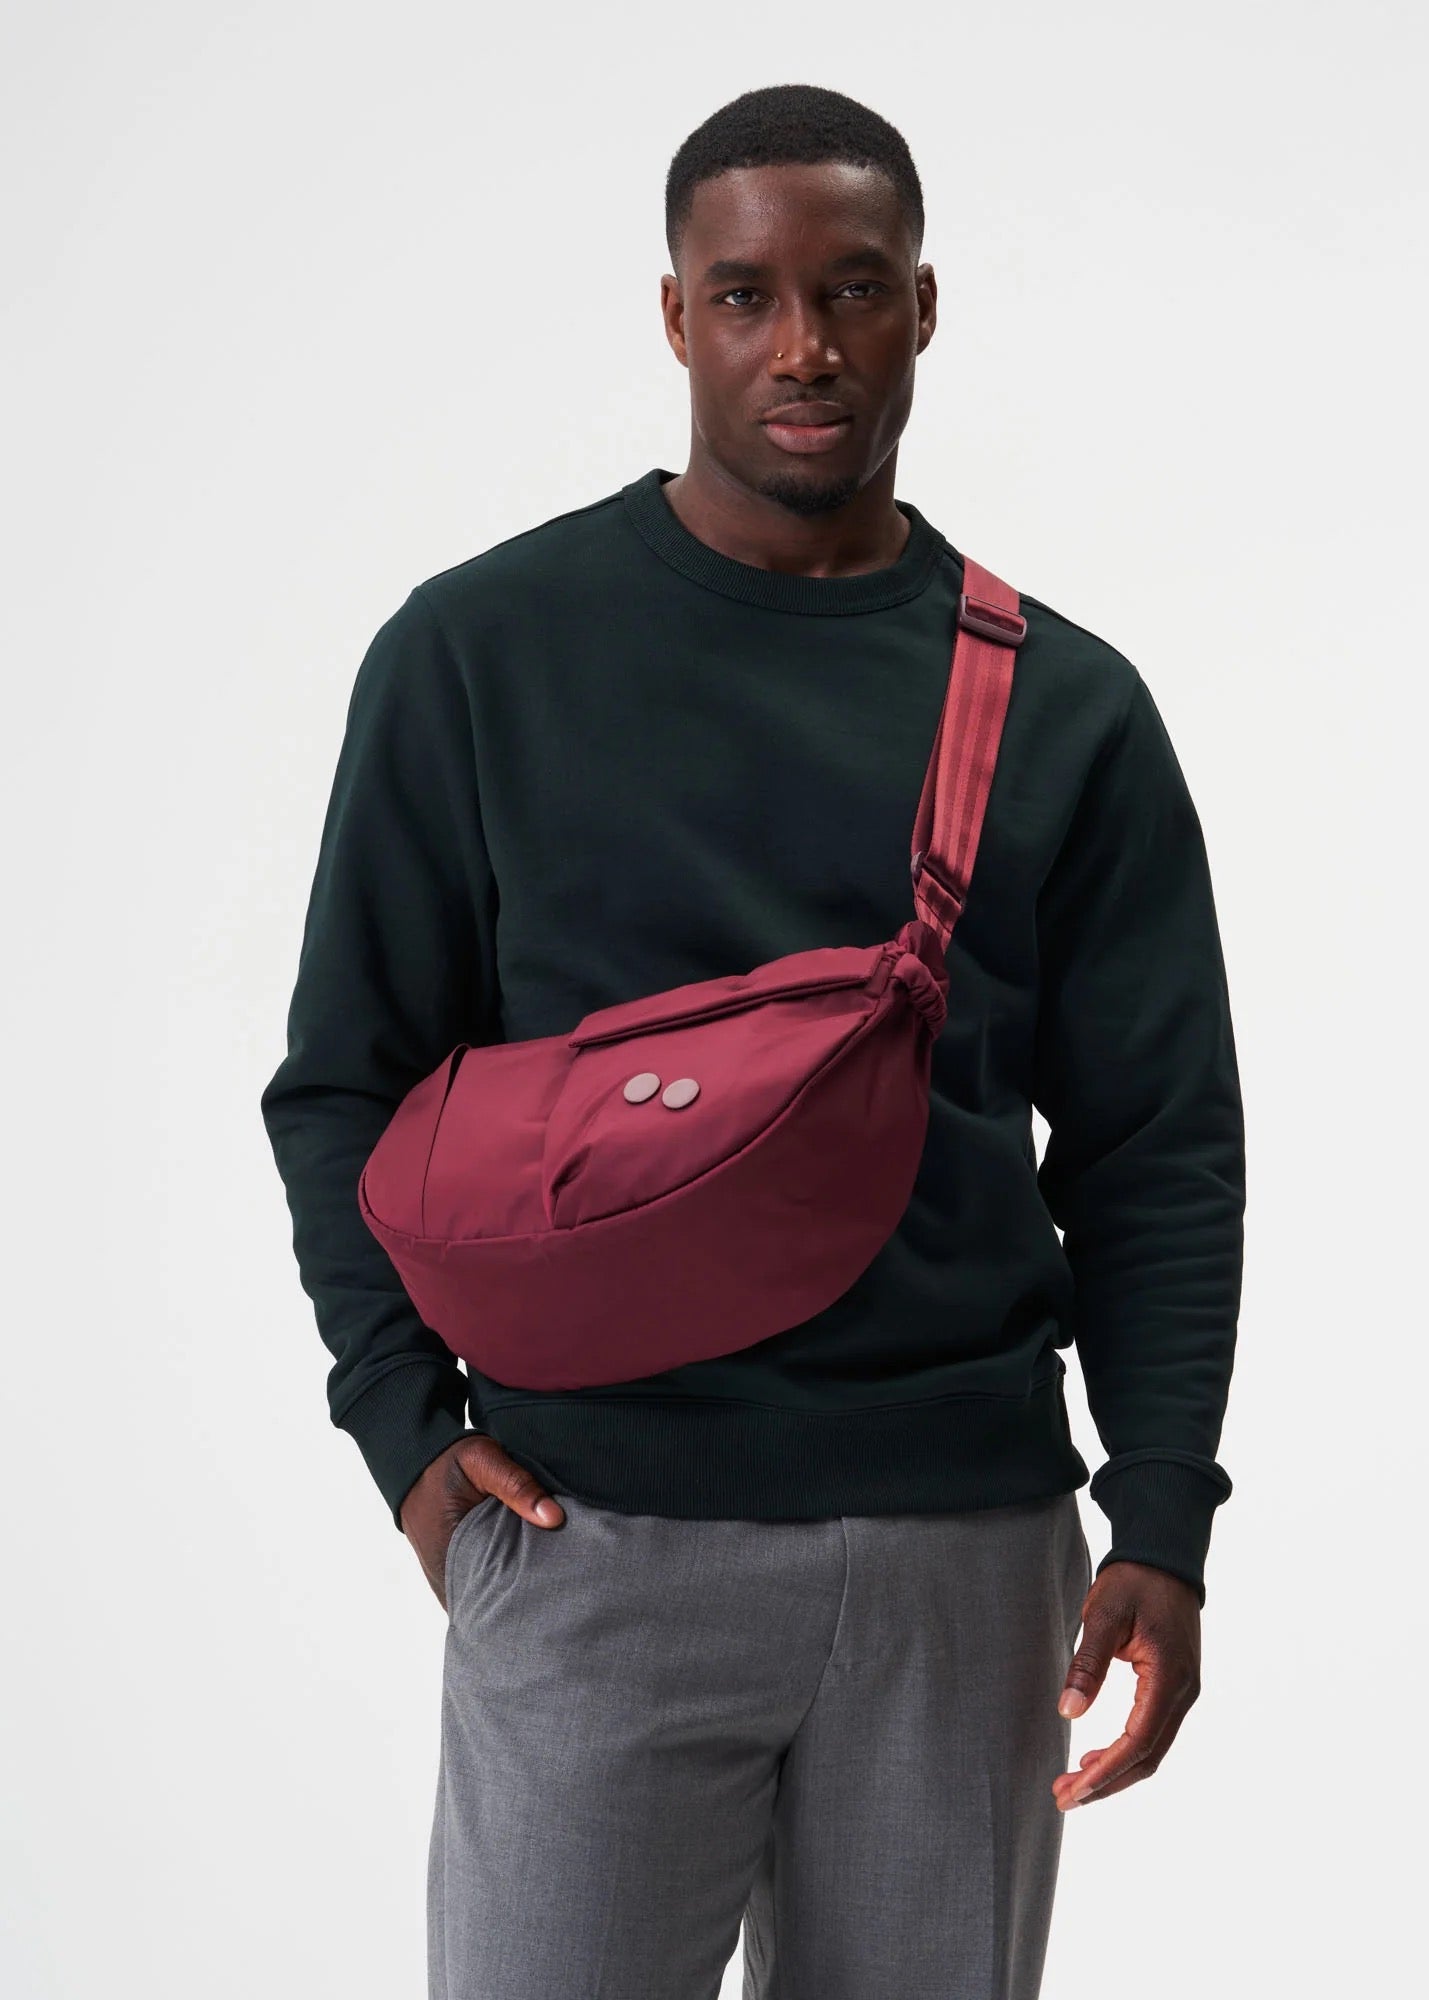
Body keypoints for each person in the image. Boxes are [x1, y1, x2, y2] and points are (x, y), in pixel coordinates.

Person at [260, 81, 1245, 2000]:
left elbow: (1158, 1149)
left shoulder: (1065, 708)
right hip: (595, 1539)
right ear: (675, 315)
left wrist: (1165, 1510)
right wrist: (409, 1439)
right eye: (747, 295)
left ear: (924, 305)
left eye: (854, 289)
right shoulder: (479, 656)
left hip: (967, 1559)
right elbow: (344, 1083)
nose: (805, 347)